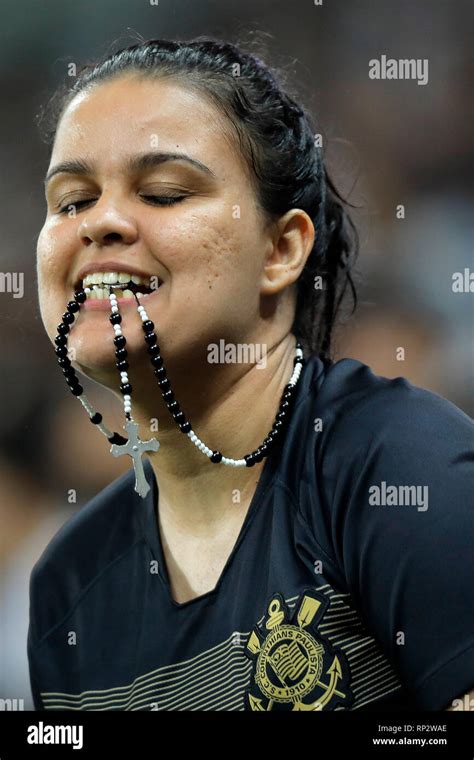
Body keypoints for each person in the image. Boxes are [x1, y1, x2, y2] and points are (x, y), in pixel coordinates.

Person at [28, 37, 473, 712]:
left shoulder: (397, 468)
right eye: (70, 201)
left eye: (163, 191)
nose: (100, 223)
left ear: (281, 248)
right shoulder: (70, 583)